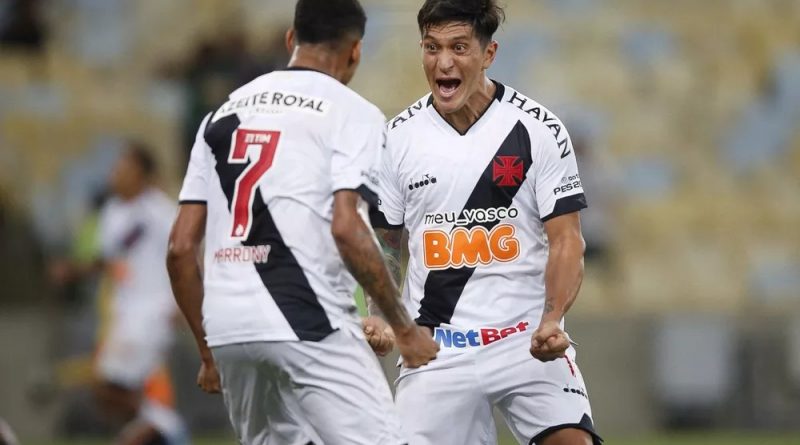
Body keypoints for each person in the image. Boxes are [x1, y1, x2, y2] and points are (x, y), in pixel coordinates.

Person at [166, 1, 438, 444]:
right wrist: (404, 329)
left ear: (292, 40)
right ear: (355, 52)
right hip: (306, 316)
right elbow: (348, 229)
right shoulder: (353, 113)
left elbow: (179, 249)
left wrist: (208, 351)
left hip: (228, 329)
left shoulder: (220, 117)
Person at [369, 1, 602, 444]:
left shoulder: (539, 130)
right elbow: (386, 244)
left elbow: (567, 241)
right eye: (431, 47)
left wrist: (552, 319)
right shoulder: (396, 139)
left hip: (523, 340)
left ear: (488, 54)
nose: (443, 63)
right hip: (437, 349)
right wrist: (380, 315)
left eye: (459, 47)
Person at [51, 143, 187, 445]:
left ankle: (168, 429)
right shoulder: (112, 212)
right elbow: (108, 260)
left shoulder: (159, 210)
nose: (115, 174)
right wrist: (73, 271)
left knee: (110, 385)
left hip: (152, 311)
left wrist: (183, 303)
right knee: (114, 390)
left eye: (123, 168)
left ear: (142, 174)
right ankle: (155, 431)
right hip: (124, 312)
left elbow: (184, 254)